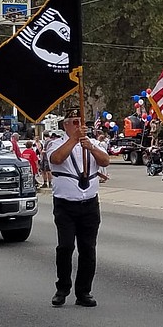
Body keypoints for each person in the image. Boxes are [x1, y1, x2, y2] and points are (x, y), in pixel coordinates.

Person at [47, 110, 110, 308]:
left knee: (88, 250)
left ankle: (84, 292)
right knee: (65, 247)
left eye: (81, 122)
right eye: (74, 122)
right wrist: (73, 140)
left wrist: (90, 146)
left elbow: (105, 161)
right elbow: (56, 159)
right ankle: (62, 287)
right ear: (66, 125)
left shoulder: (92, 143)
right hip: (65, 205)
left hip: (89, 204)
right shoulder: (56, 143)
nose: (79, 125)